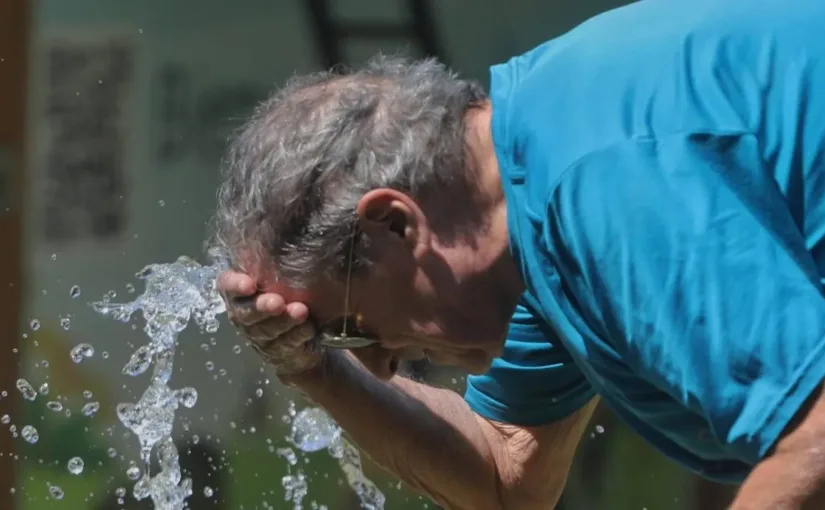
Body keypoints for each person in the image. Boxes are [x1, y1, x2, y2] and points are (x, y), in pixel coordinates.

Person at [211, 0, 825, 508]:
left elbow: (815, 432)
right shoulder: (531, 202)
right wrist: (313, 369)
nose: (380, 366)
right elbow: (504, 476)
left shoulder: (602, 181)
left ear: (395, 224)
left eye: (347, 330)